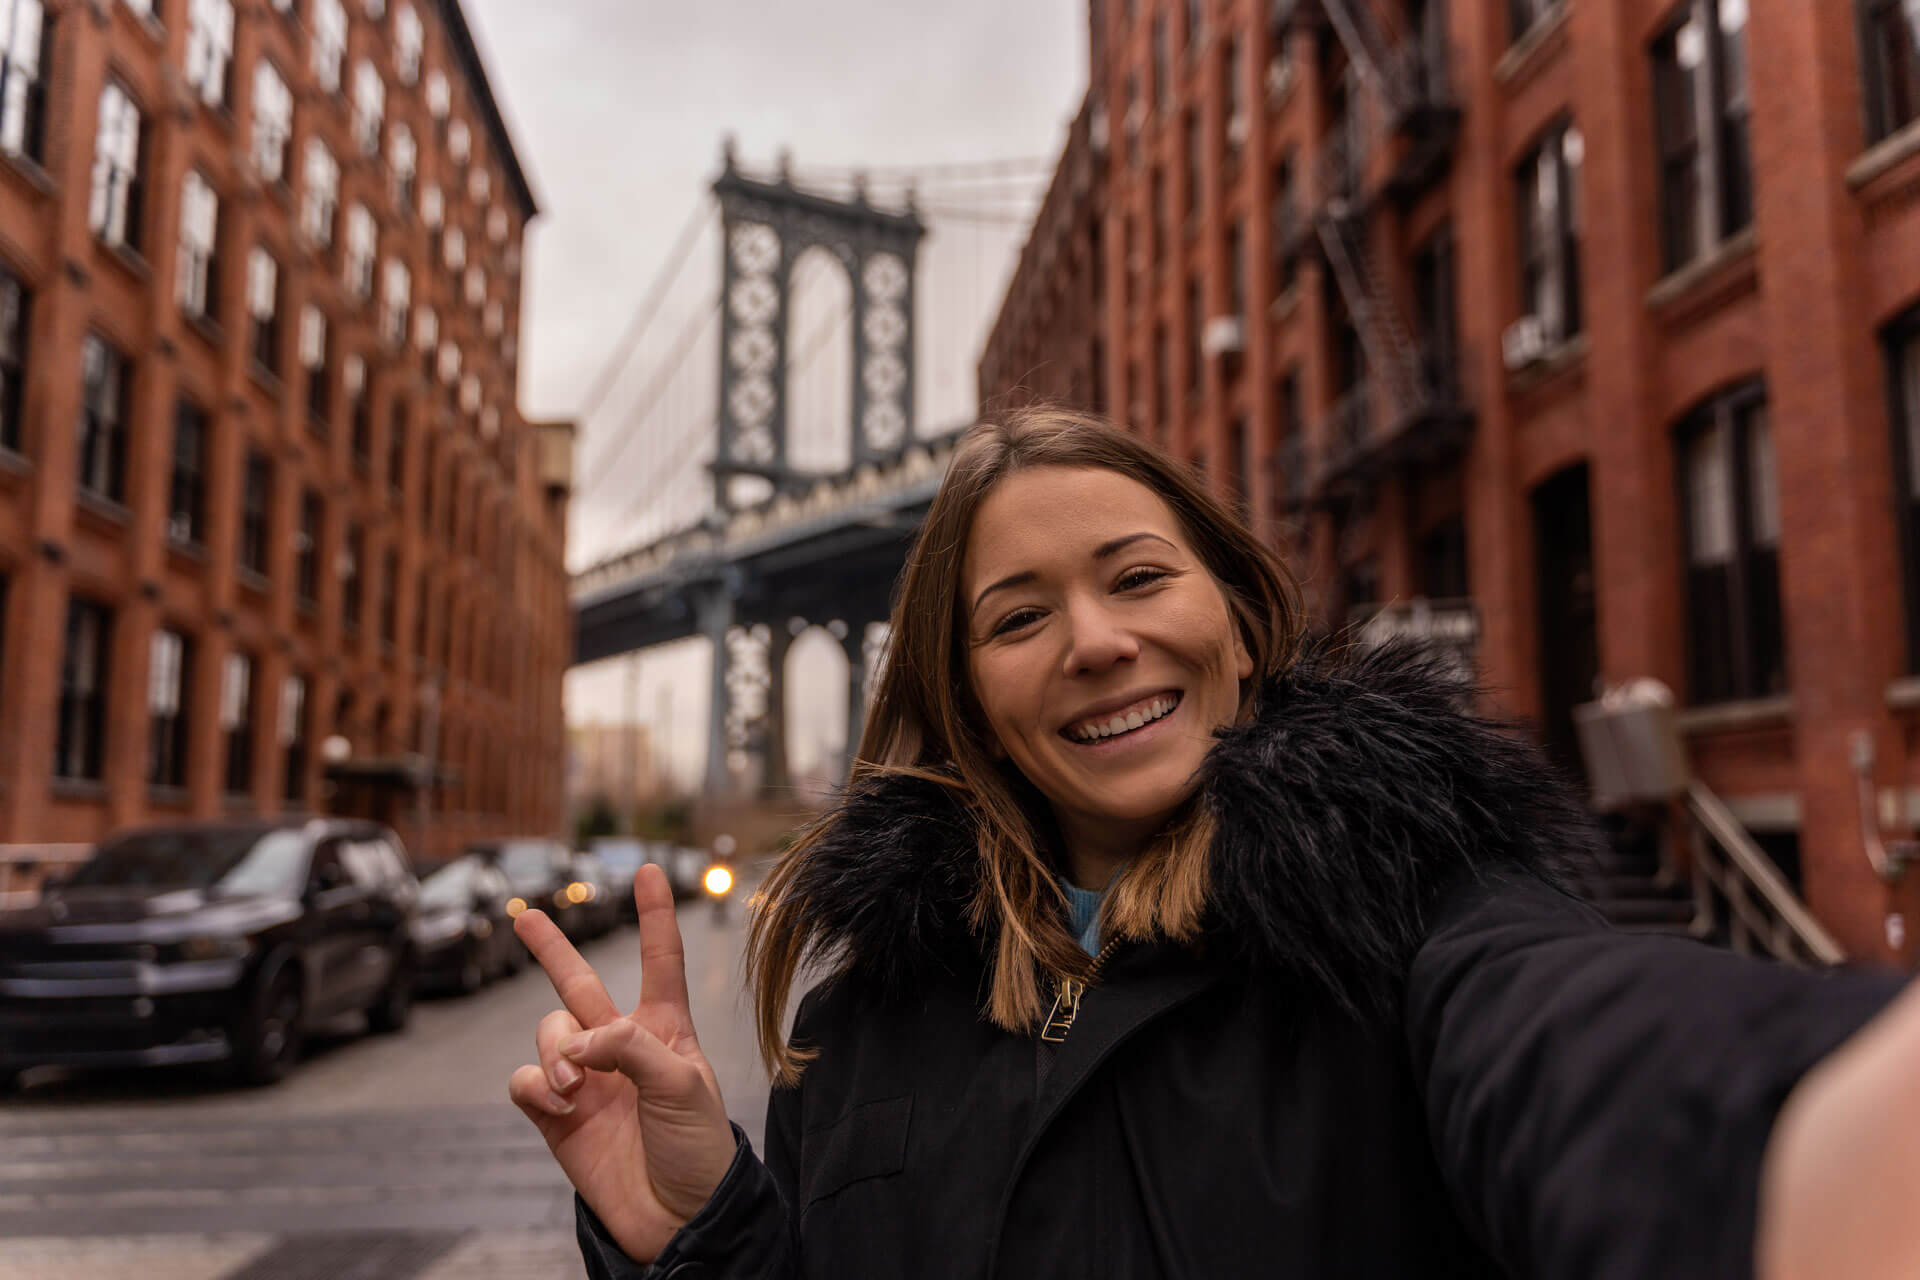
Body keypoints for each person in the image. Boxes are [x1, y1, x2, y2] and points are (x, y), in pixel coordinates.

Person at [510, 407, 1920, 1279]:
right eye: (1017, 617)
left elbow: (1590, 1054)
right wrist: (698, 1236)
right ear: (969, 705)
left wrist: (1804, 1127)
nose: (1099, 641)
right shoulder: (857, 1031)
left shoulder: (1419, 927)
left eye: (1137, 577)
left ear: (1239, 623)